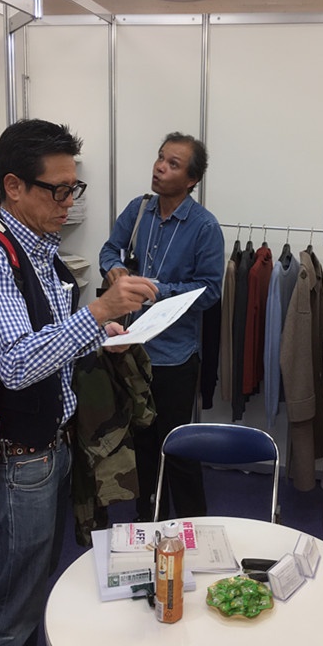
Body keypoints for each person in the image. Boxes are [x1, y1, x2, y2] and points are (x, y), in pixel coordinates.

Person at [0, 119, 156, 646]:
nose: (69, 202)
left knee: (34, 582)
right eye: (58, 190)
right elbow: (17, 363)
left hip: (52, 448)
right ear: (14, 186)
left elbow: (48, 342)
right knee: (11, 608)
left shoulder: (44, 252)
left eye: (75, 188)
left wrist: (100, 335)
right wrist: (97, 312)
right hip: (15, 460)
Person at [99, 131, 224, 521]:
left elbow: (210, 291)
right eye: (159, 158)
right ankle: (149, 522)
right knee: (141, 445)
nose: (159, 168)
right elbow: (109, 249)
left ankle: (192, 526)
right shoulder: (139, 210)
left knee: (178, 447)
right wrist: (113, 268)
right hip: (131, 348)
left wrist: (157, 290)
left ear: (192, 180)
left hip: (174, 356)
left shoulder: (204, 226)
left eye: (173, 164)